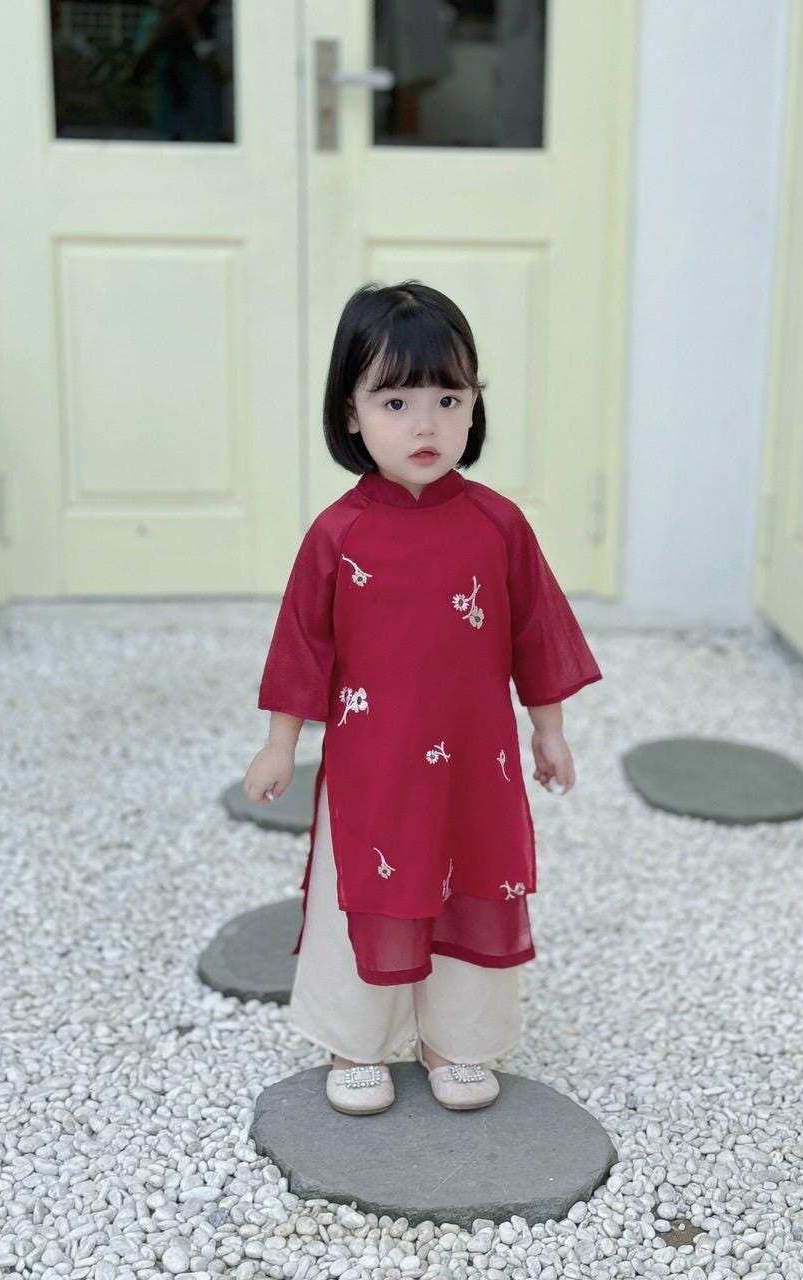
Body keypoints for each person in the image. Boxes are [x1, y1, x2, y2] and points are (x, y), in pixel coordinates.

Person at [243, 280, 603, 1115]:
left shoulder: (499, 526)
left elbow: (537, 633)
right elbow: (302, 644)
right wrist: (279, 743)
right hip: (372, 762)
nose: (426, 425)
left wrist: (549, 731)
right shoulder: (339, 534)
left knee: (471, 880)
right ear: (351, 412)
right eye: (396, 402)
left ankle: (456, 1039)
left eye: (450, 398)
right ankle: (357, 1039)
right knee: (365, 887)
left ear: (476, 404)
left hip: (476, 759)